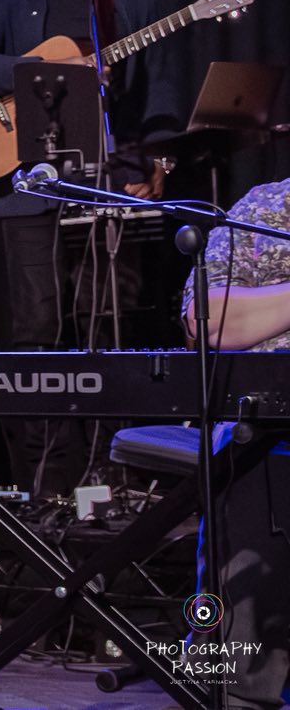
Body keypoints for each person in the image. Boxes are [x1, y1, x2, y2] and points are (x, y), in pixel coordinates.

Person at [0, 0, 183, 494]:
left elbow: (159, 84)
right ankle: (48, 489)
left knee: (112, 332)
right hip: (29, 188)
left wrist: (157, 155)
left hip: (106, 191)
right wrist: (45, 71)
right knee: (39, 336)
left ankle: (116, 483)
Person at [179, 178, 290, 710]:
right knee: (255, 461)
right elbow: (210, 319)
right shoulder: (266, 208)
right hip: (270, 424)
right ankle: (237, 687)